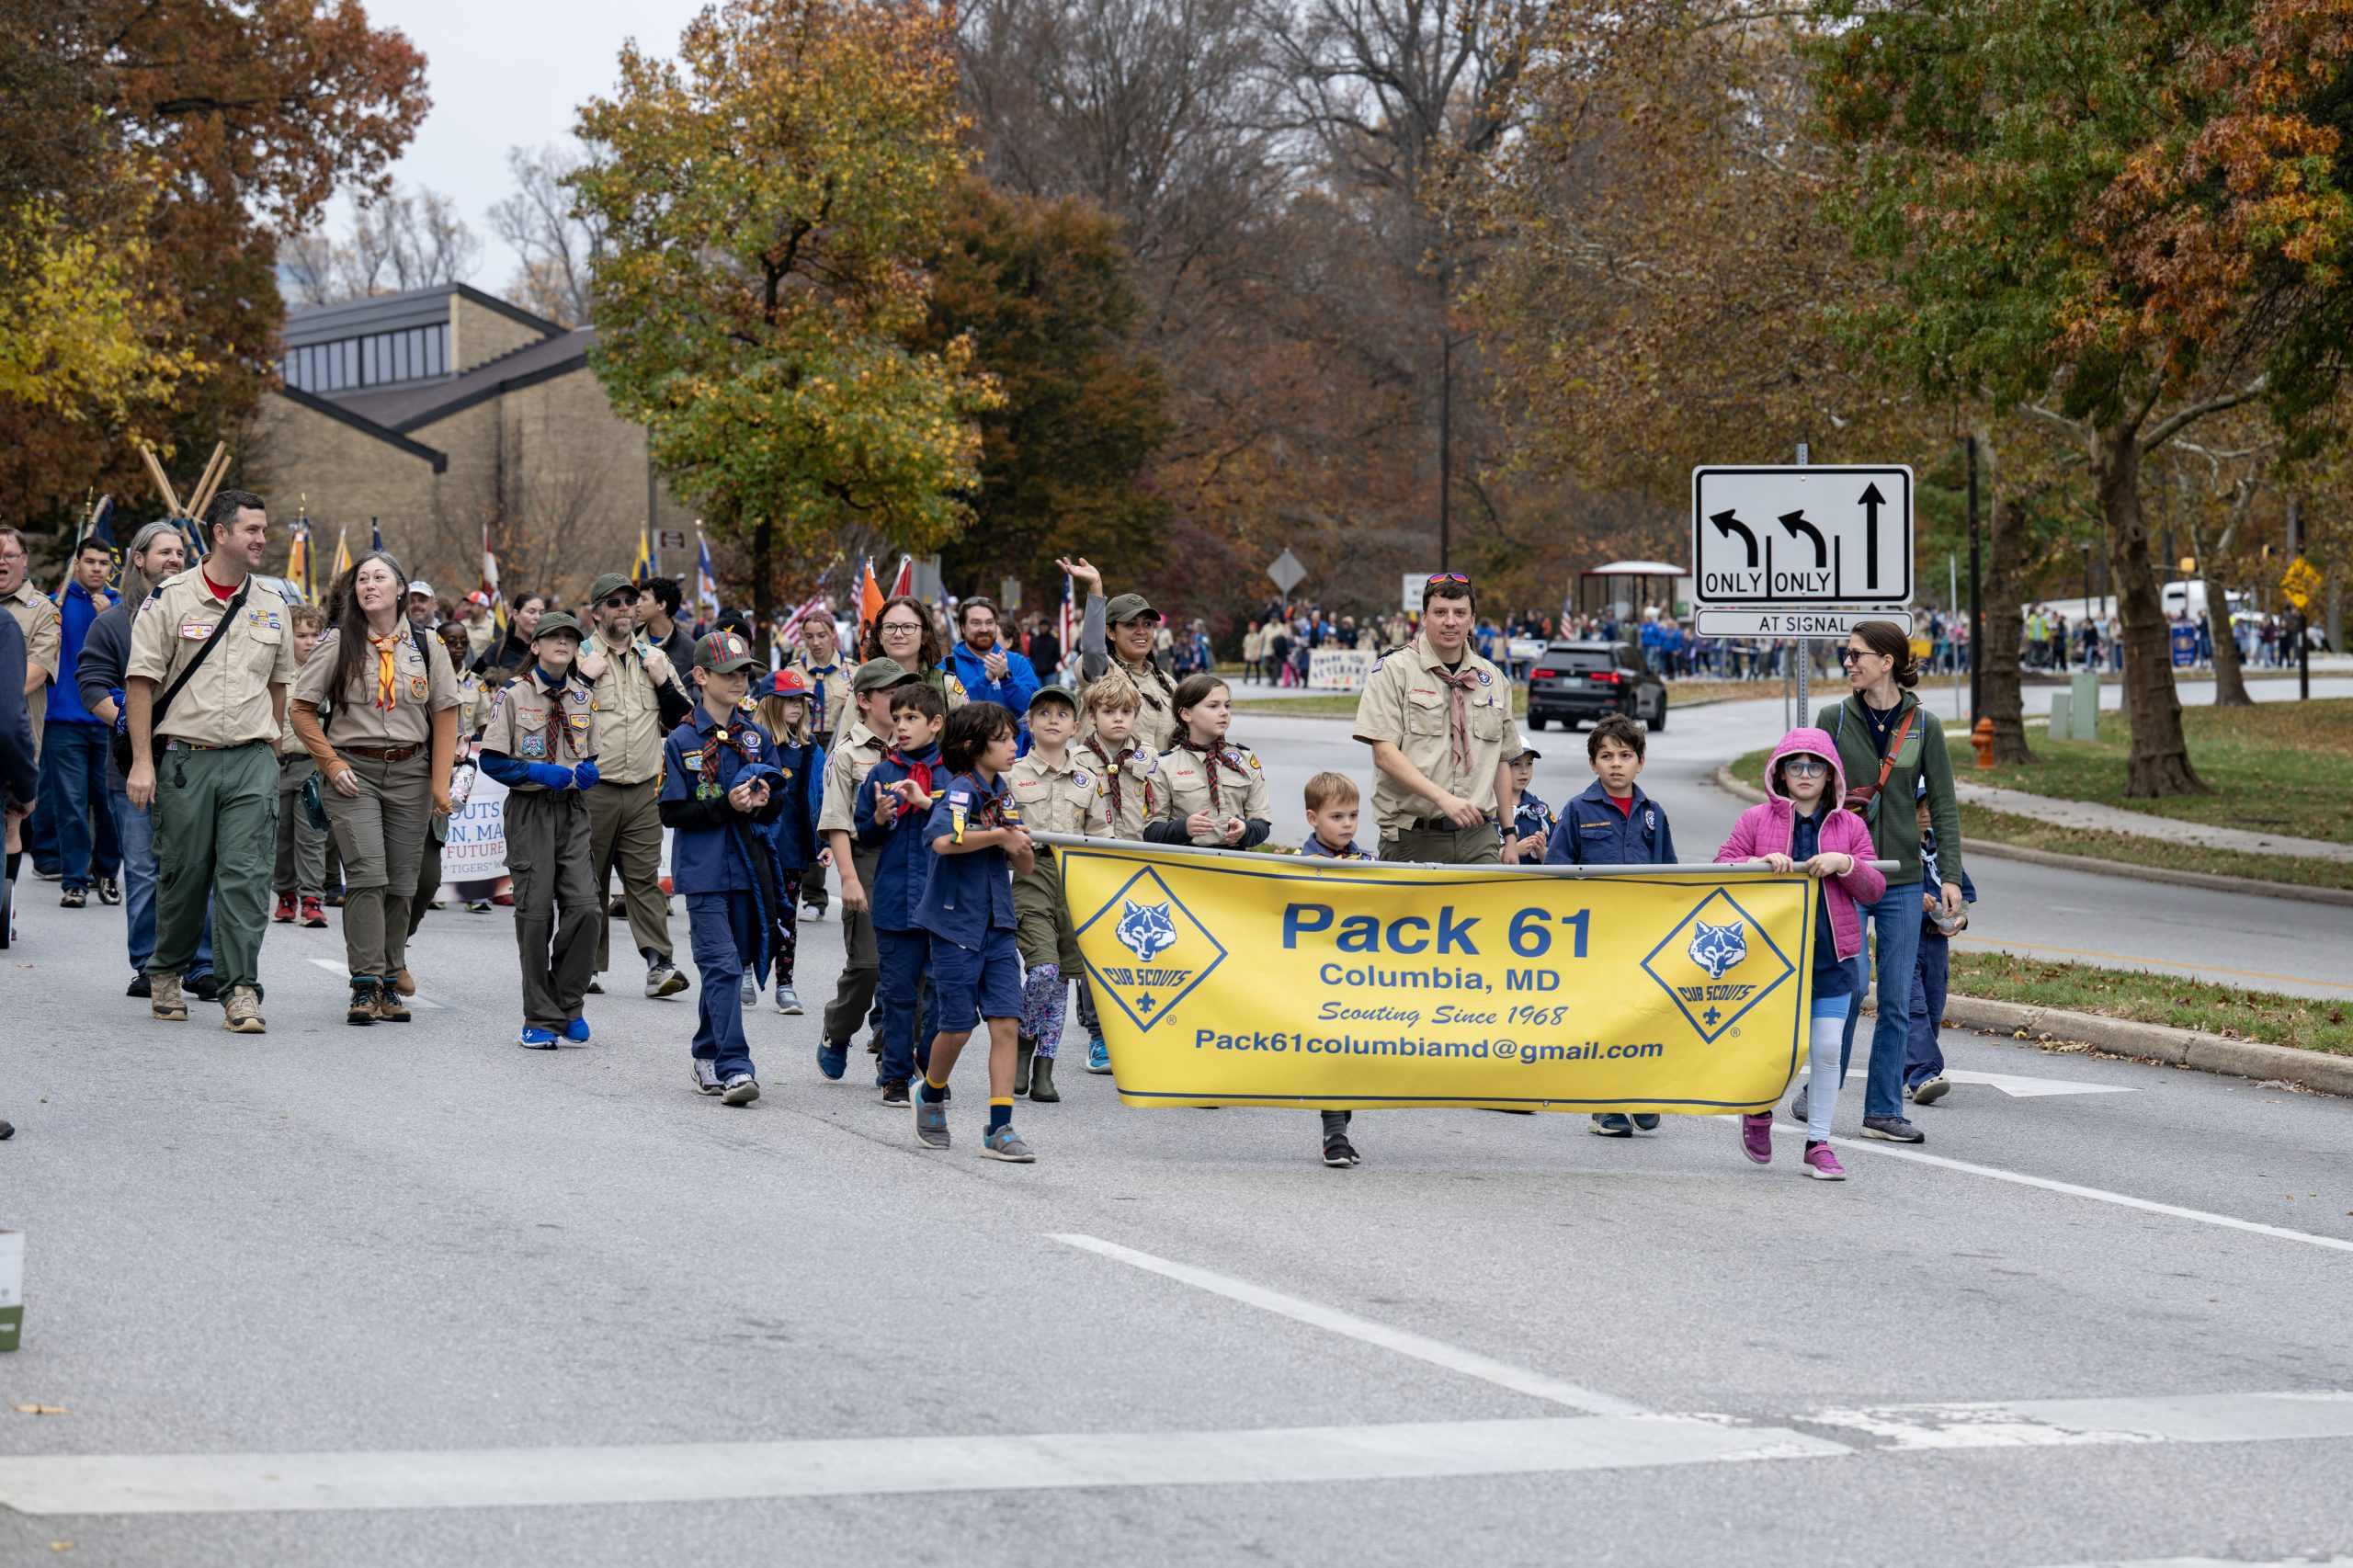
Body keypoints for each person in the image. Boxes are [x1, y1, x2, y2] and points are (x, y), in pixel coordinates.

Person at [124, 489, 297, 1033]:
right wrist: (142, 763)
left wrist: (272, 755)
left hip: (251, 759)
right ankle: (167, 972)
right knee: (183, 874)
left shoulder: (272, 604)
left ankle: (241, 989)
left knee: (246, 877)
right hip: (185, 761)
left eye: (264, 530)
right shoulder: (170, 598)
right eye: (252, 530)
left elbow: (279, 687)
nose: (262, 539)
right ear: (221, 533)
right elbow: (141, 683)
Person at [1799, 619, 1966, 1145]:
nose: (1848, 663)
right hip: (1846, 876)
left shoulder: (1924, 723)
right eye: (1846, 656)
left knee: (1895, 998)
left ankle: (1883, 1110)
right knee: (1848, 988)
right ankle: (1820, 1091)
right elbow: (1808, 789)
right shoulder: (1833, 718)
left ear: (1888, 661)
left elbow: (1942, 803)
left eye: (1856, 655)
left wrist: (1953, 876)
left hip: (1904, 878)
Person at [289, 550, 460, 1024]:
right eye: (362, 579)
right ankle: (364, 985)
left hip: (411, 772)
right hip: (354, 774)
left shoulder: (427, 645)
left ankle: (389, 980)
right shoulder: (337, 643)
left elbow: (445, 713)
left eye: (379, 577)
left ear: (400, 589)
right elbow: (301, 708)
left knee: (404, 883)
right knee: (367, 875)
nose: (369, 585)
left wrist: (440, 784)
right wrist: (329, 763)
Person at [1715, 730, 1886, 1178]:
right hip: (1770, 960)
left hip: (1833, 957)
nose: (1805, 774)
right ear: (1780, 773)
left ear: (1831, 774)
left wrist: (1845, 864)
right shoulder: (1754, 819)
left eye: (1815, 766)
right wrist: (1754, 865)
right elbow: (1718, 869)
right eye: (1796, 766)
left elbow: (1875, 885)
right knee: (1779, 1048)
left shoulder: (1850, 825)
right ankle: (1759, 1109)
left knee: (1828, 1049)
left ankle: (1819, 1144)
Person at [76, 520, 216, 996]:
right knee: (142, 869)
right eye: (164, 552)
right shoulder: (113, 622)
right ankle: (150, 964)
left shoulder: (206, 617)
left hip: (196, 766)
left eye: (180, 552)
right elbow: (91, 683)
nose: (175, 559)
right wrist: (132, 721)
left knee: (198, 865)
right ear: (139, 559)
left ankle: (201, 964)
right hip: (132, 769)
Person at [659, 630, 786, 1106]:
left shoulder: (755, 736)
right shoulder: (682, 740)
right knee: (723, 966)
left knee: (736, 964)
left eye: (745, 672)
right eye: (729, 673)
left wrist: (762, 800)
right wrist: (727, 806)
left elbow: (776, 807)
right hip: (705, 870)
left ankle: (706, 1050)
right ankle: (736, 1067)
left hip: (749, 868)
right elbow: (672, 812)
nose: (740, 680)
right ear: (700, 676)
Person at [909, 701, 1036, 1161]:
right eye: (1001, 739)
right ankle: (931, 1092)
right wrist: (1000, 836)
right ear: (970, 746)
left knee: (1007, 1024)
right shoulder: (960, 792)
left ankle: (1000, 1128)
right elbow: (944, 841)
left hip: (998, 924)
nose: (1012, 746)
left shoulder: (1005, 795)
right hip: (955, 924)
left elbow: (1024, 863)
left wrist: (1017, 842)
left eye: (1011, 737)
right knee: (958, 1027)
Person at [1546, 714, 1677, 1135]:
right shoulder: (1578, 810)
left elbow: (1671, 874)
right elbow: (1556, 870)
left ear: (1641, 761)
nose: (1615, 764)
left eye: (1625, 755)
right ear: (1593, 764)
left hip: (1642, 936)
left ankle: (1637, 1091)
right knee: (1605, 1018)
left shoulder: (1653, 813)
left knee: (1641, 1015)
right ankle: (1606, 1105)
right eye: (1606, 756)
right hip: (1596, 936)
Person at [477, 610, 602, 1048]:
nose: (564, 644)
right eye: (554, 638)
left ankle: (568, 1004)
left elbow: (591, 756)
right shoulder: (513, 695)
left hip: (572, 811)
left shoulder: (583, 696)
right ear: (536, 646)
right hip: (530, 809)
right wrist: (533, 770)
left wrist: (588, 772)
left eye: (571, 638)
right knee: (535, 915)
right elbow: (490, 760)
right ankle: (540, 1016)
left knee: (586, 908)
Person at [576, 573, 695, 999]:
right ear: (596, 613)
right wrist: (584, 681)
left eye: (630, 601)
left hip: (644, 788)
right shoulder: (578, 657)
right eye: (614, 602)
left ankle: (659, 964)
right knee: (587, 880)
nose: (625, 608)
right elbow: (554, 721)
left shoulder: (654, 657)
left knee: (644, 879)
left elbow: (685, 719)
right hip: (593, 788)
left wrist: (663, 681)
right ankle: (583, 965)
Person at [1353, 573, 1520, 866]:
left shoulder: (1493, 678)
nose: (1450, 621)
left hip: (1479, 838)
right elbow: (1385, 754)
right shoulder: (1393, 671)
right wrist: (1443, 799)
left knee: (1485, 912)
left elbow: (1502, 760)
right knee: (1411, 915)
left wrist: (1509, 836)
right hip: (1414, 837)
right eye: (1440, 612)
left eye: (1459, 613)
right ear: (1424, 618)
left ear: (1472, 620)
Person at [816, 660, 923, 1091]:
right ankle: (839, 1028)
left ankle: (893, 1052)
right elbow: (837, 822)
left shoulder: (917, 750)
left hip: (911, 861)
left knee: (913, 969)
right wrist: (848, 879)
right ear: (863, 701)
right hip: (864, 860)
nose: (900, 703)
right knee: (867, 965)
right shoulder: (847, 755)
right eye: (890, 694)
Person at [1005, 684, 1108, 1103]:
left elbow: (1102, 831)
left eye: (1062, 714)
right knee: (1043, 971)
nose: (1052, 719)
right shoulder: (1012, 773)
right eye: (1043, 713)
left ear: (1076, 726)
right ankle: (1023, 1048)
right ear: (1029, 723)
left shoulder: (1089, 778)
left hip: (1076, 878)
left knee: (1064, 979)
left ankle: (1044, 1068)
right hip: (1031, 873)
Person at [855, 680, 949, 1104]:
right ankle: (894, 1074)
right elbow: (865, 834)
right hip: (895, 900)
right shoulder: (881, 772)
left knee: (945, 994)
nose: (902, 728)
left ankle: (930, 1068)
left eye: (912, 719)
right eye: (897, 720)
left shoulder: (954, 773)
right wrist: (877, 816)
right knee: (898, 995)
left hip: (944, 902)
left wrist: (932, 802)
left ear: (936, 723)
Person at [40, 535, 122, 908]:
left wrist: (108, 614)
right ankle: (74, 880)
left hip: (109, 720)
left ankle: (105, 872)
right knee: (70, 804)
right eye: (90, 562)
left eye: (103, 564)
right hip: (63, 720)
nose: (96, 569)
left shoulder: (121, 608)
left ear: (111, 568)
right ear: (77, 563)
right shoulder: (55, 606)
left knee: (108, 804)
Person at [1299, 770, 1374, 1166]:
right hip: (1318, 979)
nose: (1347, 825)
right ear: (1313, 819)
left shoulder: (1367, 863)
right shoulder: (1301, 866)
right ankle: (1335, 1134)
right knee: (1332, 1053)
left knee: (1352, 1055)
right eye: (1337, 817)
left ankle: (1340, 1125)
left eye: (1353, 816)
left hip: (1359, 978)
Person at [749, 669, 826, 1015]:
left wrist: (823, 839)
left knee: (787, 919)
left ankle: (785, 984)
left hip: (794, 848)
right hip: (757, 844)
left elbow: (821, 798)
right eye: (789, 700)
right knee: (750, 912)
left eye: (801, 701)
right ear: (770, 703)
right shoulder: (752, 744)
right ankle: (744, 974)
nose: (797, 706)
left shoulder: (811, 750)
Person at [1904, 776, 1978, 1107]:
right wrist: (1911, 896)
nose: (1924, 813)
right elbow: (1877, 888)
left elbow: (1964, 893)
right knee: (1913, 1007)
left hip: (1937, 943)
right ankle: (1925, 1072)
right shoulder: (1900, 849)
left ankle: (1910, 1073)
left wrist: (1960, 917)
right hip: (1907, 937)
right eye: (1917, 806)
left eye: (1929, 806)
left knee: (1933, 1009)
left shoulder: (1940, 850)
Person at [1063, 558, 1179, 754]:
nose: (1142, 631)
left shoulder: (1167, 683)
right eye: (1131, 624)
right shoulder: (1100, 672)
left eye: (1147, 624)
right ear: (1110, 632)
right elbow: (1092, 648)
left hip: (1158, 783)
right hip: (1108, 782)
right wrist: (1095, 587)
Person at [1145, 675, 1270, 849]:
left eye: (1227, 705)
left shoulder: (1245, 760)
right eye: (1213, 706)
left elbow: (1262, 824)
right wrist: (1184, 828)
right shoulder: (1165, 765)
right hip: (1184, 866)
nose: (1224, 712)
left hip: (1234, 864)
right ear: (1186, 714)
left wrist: (1246, 830)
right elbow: (1151, 832)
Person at [0, 527, 60, 881]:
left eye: (9, 556)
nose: (2, 563)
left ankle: (4, 909)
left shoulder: (42, 611)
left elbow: (35, 673)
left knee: (9, 824)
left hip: (13, 735)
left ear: (24, 560)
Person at [787, 611, 854, 919]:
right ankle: (803, 892)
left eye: (822, 635)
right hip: (805, 744)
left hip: (840, 745)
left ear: (832, 635)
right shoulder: (794, 671)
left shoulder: (853, 671)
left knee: (835, 817)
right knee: (809, 814)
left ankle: (831, 891)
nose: (815, 643)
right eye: (809, 636)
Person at [270, 605, 331, 929]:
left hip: (312, 766)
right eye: (301, 636)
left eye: (314, 635)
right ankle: (285, 894)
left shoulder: (327, 674)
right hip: (278, 765)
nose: (309, 642)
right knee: (280, 835)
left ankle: (311, 898)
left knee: (312, 834)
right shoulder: (276, 674)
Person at [861, 593, 967, 710]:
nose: (898, 634)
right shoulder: (864, 683)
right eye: (890, 627)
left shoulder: (947, 686)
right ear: (880, 636)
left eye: (908, 627)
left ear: (924, 636)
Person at [946, 597, 1039, 715]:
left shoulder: (1018, 662)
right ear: (963, 628)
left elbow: (1032, 710)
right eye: (976, 623)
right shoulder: (948, 666)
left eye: (989, 623)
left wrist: (1007, 679)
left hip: (1013, 734)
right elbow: (951, 713)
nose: (984, 629)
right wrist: (985, 680)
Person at [472, 591, 546, 683]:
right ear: (515, 614)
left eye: (542, 613)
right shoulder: (496, 650)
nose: (538, 617)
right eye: (531, 611)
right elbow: (472, 685)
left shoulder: (546, 652)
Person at [636, 576, 699, 673]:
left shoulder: (690, 649)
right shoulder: (630, 639)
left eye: (644, 599)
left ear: (661, 605)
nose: (637, 604)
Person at [1505, 745, 1554, 863]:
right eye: (1516, 764)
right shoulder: (1488, 808)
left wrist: (1541, 850)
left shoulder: (1540, 809)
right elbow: (1476, 857)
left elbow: (1558, 859)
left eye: (1529, 764)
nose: (1524, 771)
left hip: (1532, 880)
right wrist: (1513, 850)